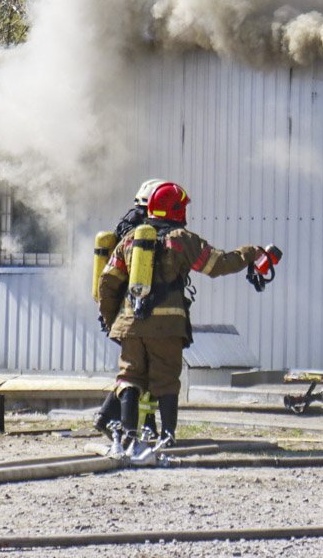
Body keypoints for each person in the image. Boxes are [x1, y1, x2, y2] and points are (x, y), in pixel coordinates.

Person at [97, 181, 262, 462]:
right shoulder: (182, 239)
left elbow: (107, 282)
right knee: (166, 380)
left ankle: (128, 435)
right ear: (177, 210)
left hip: (130, 325)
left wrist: (112, 319)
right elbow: (218, 264)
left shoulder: (130, 239)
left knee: (129, 377)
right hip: (167, 327)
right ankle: (167, 435)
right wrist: (250, 252)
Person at [92, 179, 168, 439]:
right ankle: (135, 425)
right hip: (137, 313)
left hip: (121, 312)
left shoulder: (127, 226)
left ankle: (111, 418)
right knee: (142, 372)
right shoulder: (145, 232)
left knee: (136, 371)